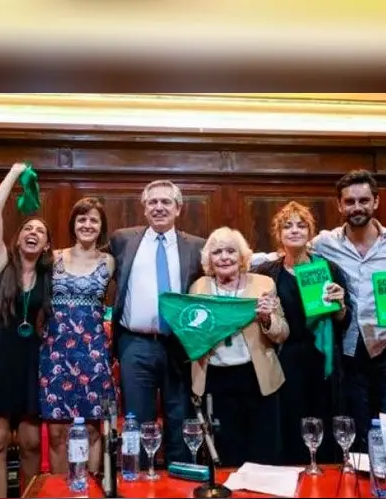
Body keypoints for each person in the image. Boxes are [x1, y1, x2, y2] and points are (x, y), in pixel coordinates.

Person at [252, 170, 386, 450]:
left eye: (364, 200)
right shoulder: (325, 243)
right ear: (340, 205)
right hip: (349, 351)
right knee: (353, 434)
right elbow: (291, 252)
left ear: (376, 202)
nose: (357, 207)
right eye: (350, 201)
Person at [108, 180, 206, 467]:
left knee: (181, 420)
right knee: (136, 421)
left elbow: (227, 265)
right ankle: (135, 484)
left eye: (166, 202)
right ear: (144, 208)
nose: (159, 207)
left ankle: (183, 486)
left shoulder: (197, 246)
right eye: (153, 202)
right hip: (135, 344)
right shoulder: (123, 240)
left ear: (178, 208)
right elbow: (90, 258)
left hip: (180, 346)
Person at [253, 202, 350, 466]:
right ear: (278, 234)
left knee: (322, 421)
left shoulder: (329, 269)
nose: (295, 230)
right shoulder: (265, 272)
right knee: (288, 423)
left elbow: (344, 320)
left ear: (310, 232)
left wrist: (340, 306)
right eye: (288, 225)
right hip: (283, 357)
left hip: (322, 358)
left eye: (301, 225)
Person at [0, 163, 52, 498]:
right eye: (27, 229)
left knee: (32, 442)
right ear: (17, 237)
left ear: (48, 246)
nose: (33, 232)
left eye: (40, 231)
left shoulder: (50, 276)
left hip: (32, 360)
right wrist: (13, 173)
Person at [187, 228, 288, 466]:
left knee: (263, 451)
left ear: (242, 256)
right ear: (208, 259)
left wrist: (266, 318)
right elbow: (191, 333)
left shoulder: (264, 283)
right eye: (217, 252)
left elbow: (283, 333)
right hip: (215, 378)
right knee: (226, 452)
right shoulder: (199, 287)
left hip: (257, 378)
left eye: (231, 251)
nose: (224, 257)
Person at [40, 198, 117, 475]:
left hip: (94, 356)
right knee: (59, 434)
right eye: (81, 219)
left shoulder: (109, 262)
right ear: (73, 224)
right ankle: (60, 498)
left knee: (93, 432)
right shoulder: (54, 258)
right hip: (55, 354)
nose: (87, 224)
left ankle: (90, 497)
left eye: (93, 220)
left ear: (101, 226)